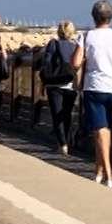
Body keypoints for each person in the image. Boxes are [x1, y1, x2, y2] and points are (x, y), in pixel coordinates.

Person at [71, 0, 112, 189]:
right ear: (111, 17)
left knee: (101, 131)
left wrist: (82, 61)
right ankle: (98, 171)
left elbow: (75, 63)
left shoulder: (87, 36)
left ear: (94, 17)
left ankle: (108, 172)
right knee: (104, 131)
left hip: (95, 87)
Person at [37, 20, 80, 154]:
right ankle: (65, 141)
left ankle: (62, 144)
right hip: (70, 84)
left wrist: (43, 82)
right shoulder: (76, 46)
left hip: (54, 84)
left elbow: (46, 64)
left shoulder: (53, 44)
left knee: (57, 115)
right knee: (66, 114)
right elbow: (78, 66)